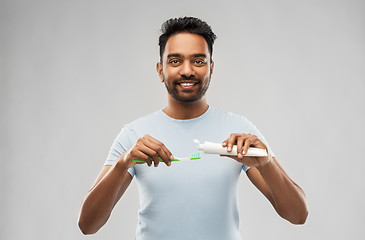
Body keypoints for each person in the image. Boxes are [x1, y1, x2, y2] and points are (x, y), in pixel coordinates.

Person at [78, 17, 308, 239]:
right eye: (175, 61)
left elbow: (298, 215)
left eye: (198, 61)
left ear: (211, 68)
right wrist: (123, 163)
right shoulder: (134, 135)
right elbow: (88, 225)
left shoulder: (239, 131)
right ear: (160, 70)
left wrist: (266, 163)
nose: (187, 70)